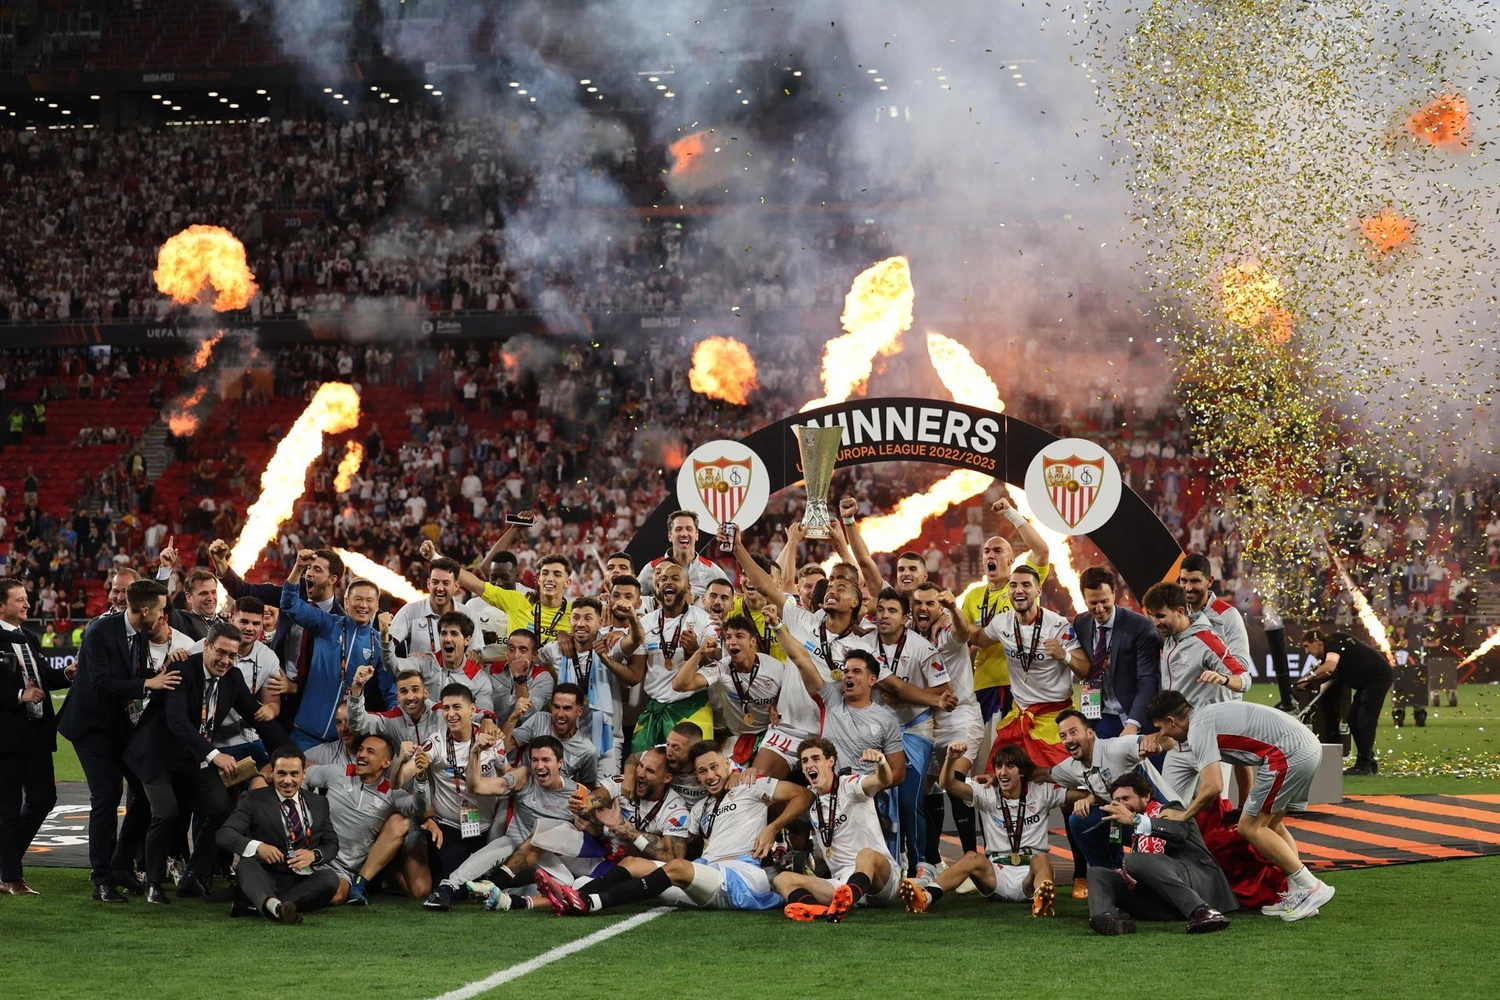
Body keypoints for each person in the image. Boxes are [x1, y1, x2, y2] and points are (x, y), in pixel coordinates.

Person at [542, 741, 813, 914]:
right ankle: (576, 896)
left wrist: (773, 827)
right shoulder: (699, 809)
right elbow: (670, 853)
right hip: (710, 874)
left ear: (728, 765)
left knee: (679, 868)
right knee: (634, 862)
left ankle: (591, 904)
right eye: (703, 771)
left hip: (742, 877)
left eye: (715, 767)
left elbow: (804, 795)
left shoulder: (750, 785)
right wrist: (623, 829)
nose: (710, 776)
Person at [1147, 690, 1335, 922]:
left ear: (1171, 720)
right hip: (1306, 748)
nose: (1163, 735)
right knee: (1272, 825)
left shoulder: (1198, 729)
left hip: (1289, 754)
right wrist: (1245, 805)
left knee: (1250, 828)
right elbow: (1243, 763)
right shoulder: (1208, 716)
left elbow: (1213, 786)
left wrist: (1184, 815)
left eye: (1161, 728)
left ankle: (1310, 886)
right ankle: (1297, 891)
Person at [125, 623, 274, 902]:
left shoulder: (232, 678)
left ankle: (195, 875)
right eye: (221, 652)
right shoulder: (182, 671)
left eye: (232, 656)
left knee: (221, 809)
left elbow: (256, 715)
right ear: (206, 646)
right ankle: (153, 882)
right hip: (156, 754)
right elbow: (178, 723)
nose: (226, 660)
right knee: (166, 813)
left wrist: (287, 751)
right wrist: (216, 755)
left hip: (192, 758)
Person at [57, 579, 178, 902]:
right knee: (107, 796)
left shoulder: (139, 632)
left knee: (143, 791)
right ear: (143, 611)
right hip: (91, 727)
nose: (164, 617)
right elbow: (101, 684)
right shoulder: (99, 632)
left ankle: (121, 866)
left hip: (119, 727)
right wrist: (148, 683)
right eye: (161, 611)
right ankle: (101, 879)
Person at [732, 529, 872, 778]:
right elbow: (765, 586)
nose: (832, 590)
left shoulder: (862, 648)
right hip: (785, 728)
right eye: (830, 587)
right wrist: (737, 548)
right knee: (755, 788)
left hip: (827, 734)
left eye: (841, 588)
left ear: (854, 603)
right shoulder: (800, 619)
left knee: (829, 805)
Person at [900, 742, 1083, 916]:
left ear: (1022, 772)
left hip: (1031, 875)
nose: (1003, 772)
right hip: (997, 874)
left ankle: (1041, 901)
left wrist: (1088, 799)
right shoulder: (986, 792)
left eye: (1010, 766)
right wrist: (950, 759)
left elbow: (1086, 793)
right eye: (998, 767)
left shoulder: (1042, 791)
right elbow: (948, 784)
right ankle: (926, 897)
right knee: (972, 857)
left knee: (1041, 858)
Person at [867, 587, 955, 878]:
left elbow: (943, 688)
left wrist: (907, 699)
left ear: (905, 618)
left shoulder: (922, 648)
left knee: (909, 800)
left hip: (914, 730)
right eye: (880, 610)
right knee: (874, 800)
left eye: (892, 611)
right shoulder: (863, 643)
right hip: (874, 733)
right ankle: (887, 864)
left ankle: (921, 866)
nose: (884, 616)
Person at [433, 735, 579, 910]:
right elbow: (476, 786)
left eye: (546, 760)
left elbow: (591, 830)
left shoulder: (576, 793)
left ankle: (500, 894)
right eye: (535, 760)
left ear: (560, 763)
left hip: (544, 862)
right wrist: (475, 753)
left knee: (567, 884)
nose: (540, 766)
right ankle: (448, 887)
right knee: (507, 841)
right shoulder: (524, 781)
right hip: (512, 855)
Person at [1086, 773, 1236, 935]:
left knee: (1135, 860)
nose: (1121, 805)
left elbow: (1178, 832)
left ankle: (1203, 911)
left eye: (1126, 798)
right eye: (1117, 801)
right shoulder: (1137, 831)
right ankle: (1108, 918)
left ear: (1146, 796)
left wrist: (1135, 820)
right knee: (1098, 872)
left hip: (1199, 888)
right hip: (1164, 904)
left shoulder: (1172, 809)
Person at [1140, 582, 1251, 800]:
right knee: (1168, 810)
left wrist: (1225, 679)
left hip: (1209, 744)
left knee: (1213, 819)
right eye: (1152, 616)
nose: (1156, 622)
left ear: (1180, 611)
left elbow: (1245, 679)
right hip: (1177, 745)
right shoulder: (1170, 638)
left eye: (1161, 616)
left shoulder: (1207, 640)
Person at [970, 564, 1087, 768]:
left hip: (1054, 718)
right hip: (1020, 714)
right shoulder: (1001, 623)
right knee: (998, 776)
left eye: (1026, 585)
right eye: (1013, 585)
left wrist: (1065, 656)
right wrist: (952, 614)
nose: (1019, 590)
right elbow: (979, 639)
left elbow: (1084, 670)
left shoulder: (1058, 625)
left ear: (1038, 591)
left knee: (1060, 782)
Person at [280, 549, 395, 752]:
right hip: (306, 734)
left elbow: (390, 691)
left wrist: (398, 724)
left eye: (369, 601)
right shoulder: (328, 624)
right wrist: (298, 568)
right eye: (358, 599)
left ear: (377, 606)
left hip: (347, 742)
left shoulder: (381, 644)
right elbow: (289, 604)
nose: (363, 605)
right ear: (346, 602)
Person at [776, 738, 901, 922]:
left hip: (880, 880)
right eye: (805, 761)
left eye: (816, 758)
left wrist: (881, 762)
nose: (810, 764)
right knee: (782, 879)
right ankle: (819, 911)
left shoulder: (850, 785)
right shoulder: (811, 802)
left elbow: (884, 780)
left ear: (830, 762)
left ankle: (846, 899)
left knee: (866, 854)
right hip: (842, 885)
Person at [0, 578, 72, 895]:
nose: (27, 604)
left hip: (37, 735)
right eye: (19, 600)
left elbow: (41, 681)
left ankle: (5, 863)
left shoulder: (29, 637)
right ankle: (11, 877)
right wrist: (18, 695)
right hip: (6, 738)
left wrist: (66, 675)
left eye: (27, 598)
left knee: (44, 799)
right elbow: (21, 690)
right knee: (8, 809)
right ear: (1, 606)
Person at [217, 745, 342, 924]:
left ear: (304, 774)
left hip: (300, 879)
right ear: (272, 772)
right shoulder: (253, 799)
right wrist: (258, 847)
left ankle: (266, 907)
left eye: (294, 774)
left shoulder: (319, 803)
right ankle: (277, 907)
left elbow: (331, 843)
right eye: (282, 773)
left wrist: (313, 855)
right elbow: (225, 834)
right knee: (246, 866)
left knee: (330, 879)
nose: (288, 781)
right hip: (263, 875)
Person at [303, 733, 428, 905]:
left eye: (370, 752)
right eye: (361, 750)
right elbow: (302, 776)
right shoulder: (339, 772)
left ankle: (360, 883)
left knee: (337, 895)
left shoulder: (392, 793)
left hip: (344, 867)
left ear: (386, 763)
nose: (361, 755)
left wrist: (421, 780)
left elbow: (418, 806)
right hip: (315, 852)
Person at [410, 682, 506, 904]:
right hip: (450, 827)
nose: (451, 714)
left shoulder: (492, 740)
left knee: (485, 873)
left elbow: (505, 774)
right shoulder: (435, 742)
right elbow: (405, 775)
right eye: (446, 708)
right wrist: (410, 767)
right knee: (449, 877)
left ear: (472, 709)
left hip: (486, 827)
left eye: (456, 707)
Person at [959, 495, 1052, 727]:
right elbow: (966, 636)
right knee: (986, 757)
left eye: (998, 551)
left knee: (1020, 754)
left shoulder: (1022, 585)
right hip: (983, 683)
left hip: (1024, 682)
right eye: (986, 551)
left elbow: (1041, 550)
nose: (991, 555)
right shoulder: (973, 596)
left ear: (1011, 558)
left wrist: (1011, 513)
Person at [911, 581, 985, 862]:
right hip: (928, 722)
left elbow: (964, 631)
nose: (923, 608)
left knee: (954, 781)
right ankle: (932, 860)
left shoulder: (947, 632)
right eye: (918, 603)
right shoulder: (912, 637)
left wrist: (954, 607)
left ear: (940, 607)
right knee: (920, 791)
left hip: (961, 718)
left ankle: (970, 859)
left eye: (930, 603)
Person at [1051, 709, 1163, 888]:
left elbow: (1166, 738)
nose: (1069, 739)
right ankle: (1111, 878)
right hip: (1127, 825)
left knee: (1149, 875)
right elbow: (1042, 774)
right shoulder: (1072, 765)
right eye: (1063, 736)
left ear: (1090, 733)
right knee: (1080, 820)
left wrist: (1155, 744)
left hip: (1161, 824)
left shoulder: (1115, 747)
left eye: (1073, 732)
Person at [617, 559, 716, 751]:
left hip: (691, 707)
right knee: (640, 766)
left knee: (694, 768)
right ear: (657, 586)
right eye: (663, 579)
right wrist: (606, 657)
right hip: (655, 709)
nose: (667, 582)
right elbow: (636, 674)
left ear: (687, 587)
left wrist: (696, 650)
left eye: (675, 578)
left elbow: (715, 664)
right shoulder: (645, 623)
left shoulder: (703, 619)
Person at [671, 615, 785, 765]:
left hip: (769, 733)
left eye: (739, 636)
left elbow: (789, 697)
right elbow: (680, 685)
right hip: (735, 736)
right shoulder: (721, 668)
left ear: (753, 641)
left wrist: (777, 704)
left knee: (759, 776)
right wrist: (699, 652)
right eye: (728, 637)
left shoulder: (775, 668)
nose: (732, 642)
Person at [538, 597, 629, 777]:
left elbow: (636, 639)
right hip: (568, 740)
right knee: (568, 795)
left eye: (588, 618)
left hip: (607, 740)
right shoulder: (555, 649)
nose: (580, 623)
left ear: (600, 622)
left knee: (605, 794)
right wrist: (560, 634)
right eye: (575, 618)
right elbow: (530, 657)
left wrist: (622, 633)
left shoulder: (610, 646)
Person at [427, 537, 574, 647]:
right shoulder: (518, 600)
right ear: (538, 579)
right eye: (545, 573)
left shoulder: (575, 613)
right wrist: (435, 557)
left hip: (558, 685)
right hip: (515, 678)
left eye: (557, 574)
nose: (550, 578)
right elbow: (475, 584)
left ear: (568, 582)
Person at [1073, 566, 1161, 738]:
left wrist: (1133, 724)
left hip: (1137, 718)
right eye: (1093, 603)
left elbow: (1148, 679)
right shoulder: (1080, 623)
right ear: (1084, 599)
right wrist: (1084, 720)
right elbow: (1083, 674)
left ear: (1114, 594)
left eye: (1104, 601)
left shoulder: (1140, 627)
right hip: (1099, 717)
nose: (1099, 608)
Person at [1299, 629, 1394, 776]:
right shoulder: (1329, 650)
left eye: (1307, 646)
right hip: (1368, 682)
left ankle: (1365, 764)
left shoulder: (1332, 641)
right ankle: (1367, 762)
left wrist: (1307, 679)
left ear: (1317, 641)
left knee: (1364, 719)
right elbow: (1325, 670)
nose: (1307, 652)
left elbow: (1329, 667)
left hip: (1378, 677)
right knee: (1353, 720)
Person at [206, 597, 283, 768]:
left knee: (266, 786)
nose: (249, 628)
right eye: (244, 622)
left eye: (256, 623)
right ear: (232, 619)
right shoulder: (204, 648)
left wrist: (270, 710)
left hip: (247, 737)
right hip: (209, 741)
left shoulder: (269, 657)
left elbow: (273, 703)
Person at [378, 609, 492, 713]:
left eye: (454, 633)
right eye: (443, 633)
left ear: (467, 640)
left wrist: (487, 719)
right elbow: (392, 665)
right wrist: (384, 638)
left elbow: (485, 711)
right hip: (423, 732)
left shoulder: (479, 678)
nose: (447, 639)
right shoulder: (425, 662)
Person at [504, 682, 600, 785]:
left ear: (579, 711)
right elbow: (504, 747)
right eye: (556, 707)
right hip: (521, 794)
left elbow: (587, 788)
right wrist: (512, 719)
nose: (560, 714)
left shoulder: (587, 750)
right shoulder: (539, 720)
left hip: (555, 799)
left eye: (567, 708)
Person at [388, 557, 481, 658]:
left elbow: (477, 652)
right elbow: (388, 646)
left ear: (456, 586)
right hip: (421, 673)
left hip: (457, 673)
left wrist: (472, 655)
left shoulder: (468, 614)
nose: (440, 588)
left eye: (446, 583)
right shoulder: (411, 611)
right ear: (428, 584)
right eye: (435, 582)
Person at [1177, 553, 1253, 669]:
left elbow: (1241, 668)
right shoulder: (1177, 614)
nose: (1188, 587)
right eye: (1184, 581)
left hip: (1214, 686)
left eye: (1195, 581)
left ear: (1210, 581)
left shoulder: (1228, 615)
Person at [638, 509, 730, 599]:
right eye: (678, 529)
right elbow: (635, 601)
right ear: (670, 536)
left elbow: (731, 599)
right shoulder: (652, 568)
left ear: (697, 535)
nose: (684, 534)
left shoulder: (712, 571)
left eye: (689, 529)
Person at [489, 628, 552, 726]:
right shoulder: (490, 671)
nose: (516, 656)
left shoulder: (543, 678)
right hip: (492, 734)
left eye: (523, 650)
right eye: (511, 649)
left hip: (526, 737)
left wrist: (519, 677)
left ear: (534, 655)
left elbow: (527, 714)